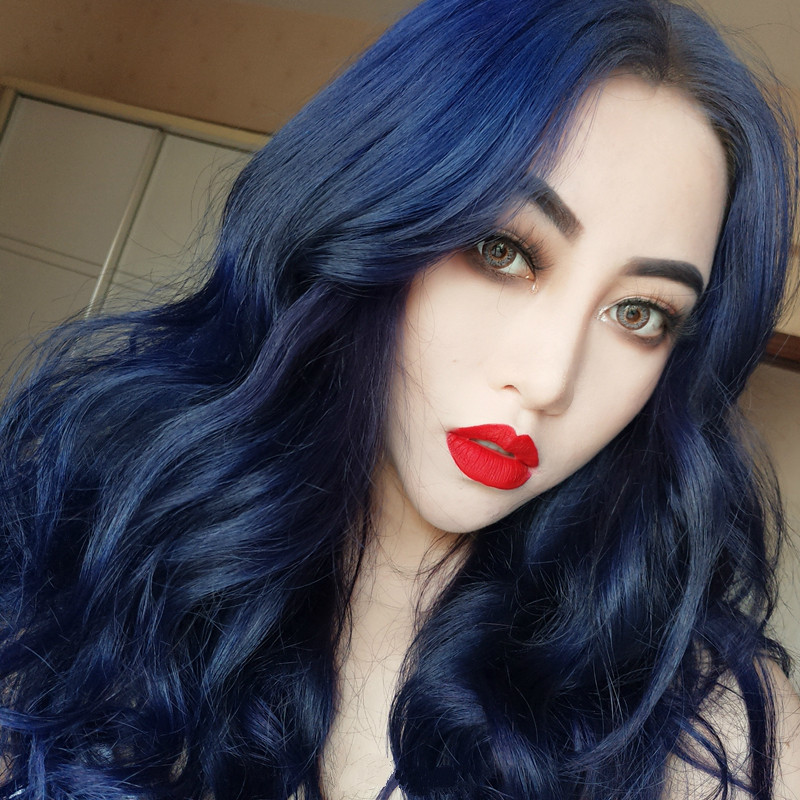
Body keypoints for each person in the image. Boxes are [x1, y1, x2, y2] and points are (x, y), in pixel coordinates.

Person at [0, 0, 798, 797]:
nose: (549, 381)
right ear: (370, 216)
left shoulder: (713, 730)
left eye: (640, 314)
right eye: (503, 249)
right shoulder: (74, 555)